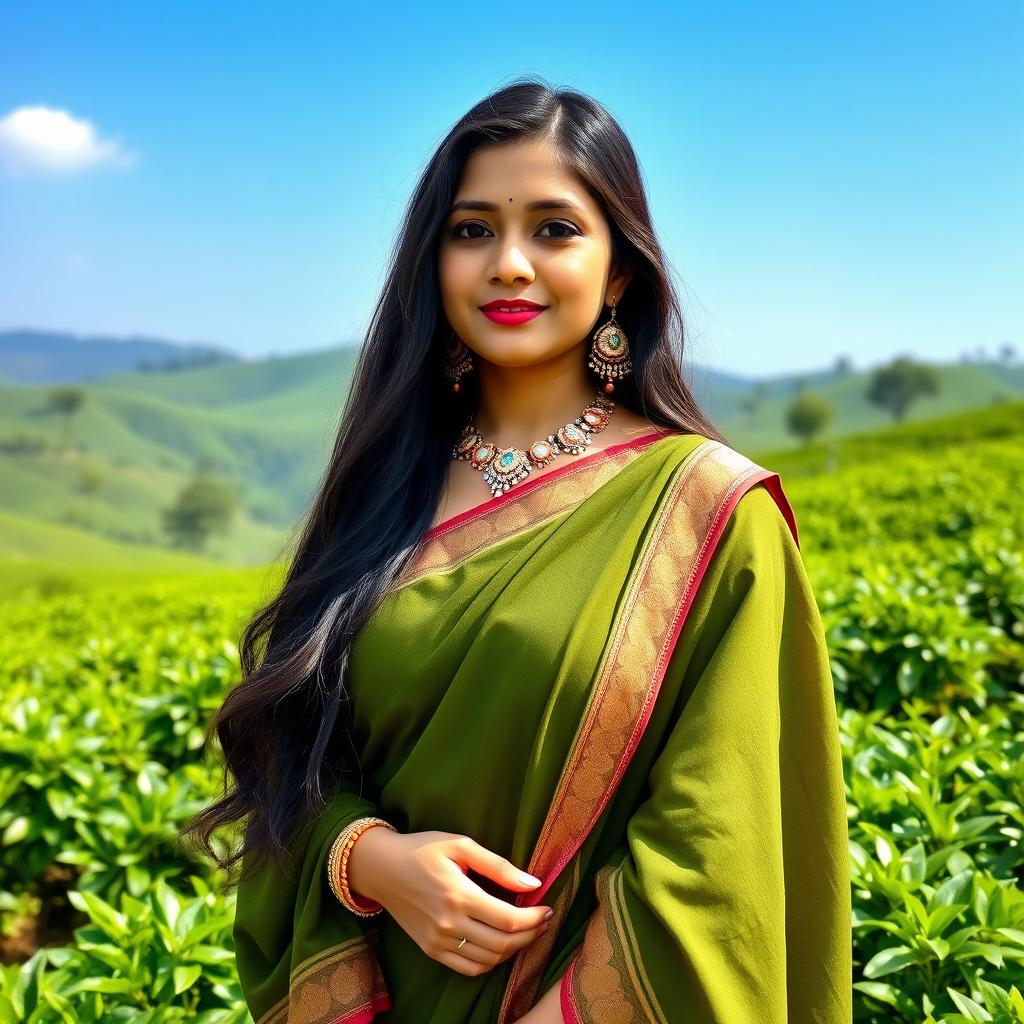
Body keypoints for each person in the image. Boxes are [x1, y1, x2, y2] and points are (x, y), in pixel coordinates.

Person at [182, 77, 851, 1023]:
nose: (508, 264)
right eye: (471, 230)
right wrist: (369, 859)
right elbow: (294, 745)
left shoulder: (708, 513)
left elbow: (716, 845)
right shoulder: (383, 492)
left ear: (620, 268)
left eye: (554, 228)